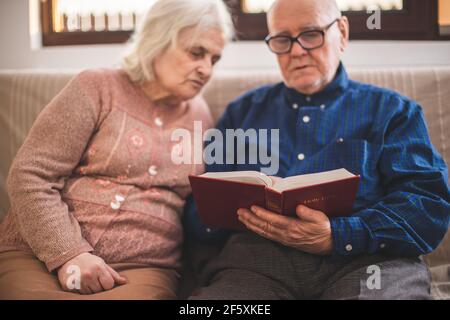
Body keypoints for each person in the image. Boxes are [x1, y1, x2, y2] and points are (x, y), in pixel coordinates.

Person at [185, 0, 450, 300]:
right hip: (255, 265)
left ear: (342, 33)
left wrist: (338, 235)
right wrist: (214, 214)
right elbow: (200, 215)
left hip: (369, 263)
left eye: (311, 34)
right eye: (283, 39)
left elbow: (429, 208)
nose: (297, 51)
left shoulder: (393, 112)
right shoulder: (242, 113)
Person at [0, 0, 233, 300]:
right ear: (157, 40)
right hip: (36, 254)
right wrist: (68, 253)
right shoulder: (97, 87)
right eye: (196, 53)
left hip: (138, 269)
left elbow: (198, 202)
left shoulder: (200, 115)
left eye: (214, 59)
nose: (206, 69)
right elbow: (29, 176)